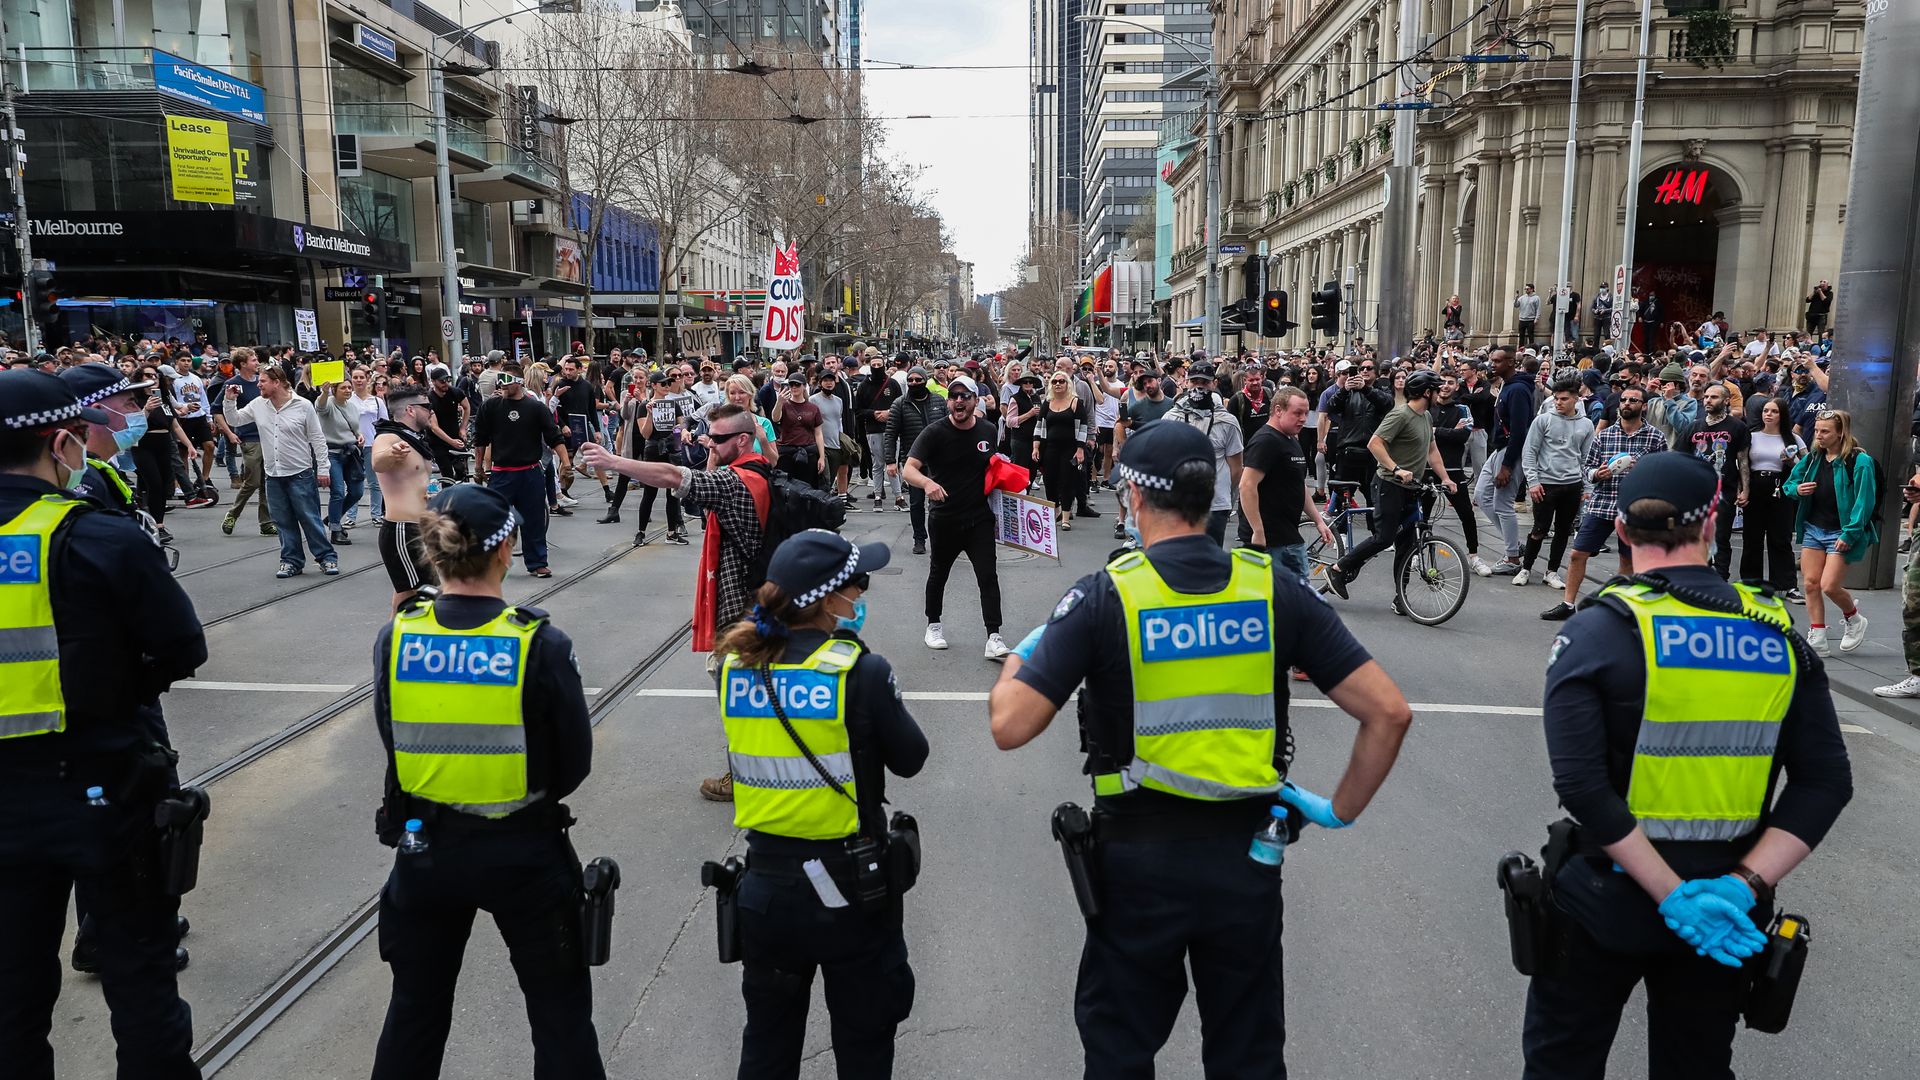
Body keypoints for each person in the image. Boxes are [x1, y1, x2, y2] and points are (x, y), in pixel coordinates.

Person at [987, 418, 1413, 1078]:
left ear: (1132, 496)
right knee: (1247, 1054)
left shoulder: (1108, 597)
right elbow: (1388, 713)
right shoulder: (1268, 586)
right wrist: (1339, 809)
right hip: (1247, 858)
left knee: (1121, 1051)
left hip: (1136, 865)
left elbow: (1009, 726)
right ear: (1208, 491)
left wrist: (1027, 650)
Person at [1523, 451, 1854, 1078]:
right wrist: (1741, 886)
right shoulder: (1774, 631)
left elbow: (1582, 787)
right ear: (1712, 525)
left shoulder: (1596, 632)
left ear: (1620, 530)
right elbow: (1826, 781)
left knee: (1561, 1063)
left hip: (1605, 897)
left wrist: (1670, 896)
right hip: (1728, 910)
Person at [0, 369, 208, 1080]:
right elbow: (182, 646)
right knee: (140, 982)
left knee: (11, 1000)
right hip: (105, 786)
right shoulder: (98, 536)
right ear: (61, 443)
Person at [368, 484, 606, 1080]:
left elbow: (392, 736)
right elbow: (573, 762)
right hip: (523, 848)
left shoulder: (398, 635)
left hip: (425, 848)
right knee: (559, 1014)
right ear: (507, 550)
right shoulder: (538, 641)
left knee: (415, 1011)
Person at [712, 530, 927, 1078]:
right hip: (850, 889)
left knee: (767, 1044)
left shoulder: (737, 668)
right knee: (864, 1043)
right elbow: (911, 757)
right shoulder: (859, 671)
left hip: (765, 890)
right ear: (828, 601)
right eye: (856, 585)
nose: (861, 593)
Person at [580, 403, 773, 802]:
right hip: (761, 597)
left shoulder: (735, 482)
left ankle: (745, 775)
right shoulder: (761, 470)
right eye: (708, 436)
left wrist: (614, 460)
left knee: (737, 691)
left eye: (718, 439)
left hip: (739, 604)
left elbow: (673, 476)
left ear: (742, 439)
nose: (711, 444)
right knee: (756, 687)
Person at [1326, 370, 1457, 612]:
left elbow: (1432, 451)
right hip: (1389, 483)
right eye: (1437, 388)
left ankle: (1401, 597)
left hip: (1411, 487)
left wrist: (1446, 478)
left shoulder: (1426, 416)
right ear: (1427, 392)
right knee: (1384, 537)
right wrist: (1396, 468)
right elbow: (1374, 444)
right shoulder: (1400, 414)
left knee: (1407, 545)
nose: (1441, 391)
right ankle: (1338, 569)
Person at [902, 376, 1010, 659]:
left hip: (979, 518)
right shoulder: (934, 432)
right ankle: (933, 625)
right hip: (944, 518)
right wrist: (927, 483)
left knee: (988, 575)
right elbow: (909, 469)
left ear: (976, 401)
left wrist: (1004, 473)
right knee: (939, 573)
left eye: (965, 397)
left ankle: (994, 636)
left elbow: (993, 468)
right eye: (954, 397)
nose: (959, 401)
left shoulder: (988, 430)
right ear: (948, 401)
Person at [1541, 384, 1667, 621]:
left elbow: (1662, 473)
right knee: (1578, 553)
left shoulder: (1655, 437)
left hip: (1634, 509)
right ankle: (1568, 604)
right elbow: (1587, 468)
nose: (1627, 404)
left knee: (1627, 561)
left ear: (1644, 406)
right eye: (1624, 400)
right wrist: (1596, 474)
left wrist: (1644, 473)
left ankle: (1618, 608)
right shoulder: (1605, 434)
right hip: (1602, 504)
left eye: (1633, 401)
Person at [223, 364, 337, 578]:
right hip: (273, 474)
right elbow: (234, 420)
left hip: (300, 472)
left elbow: (317, 438)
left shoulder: (303, 405)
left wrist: (323, 467)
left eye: (263, 381)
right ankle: (291, 561)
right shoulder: (258, 404)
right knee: (283, 521)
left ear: (277, 382)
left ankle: (327, 558)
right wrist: (229, 400)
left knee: (310, 518)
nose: (258, 384)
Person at [1784, 408, 1878, 654]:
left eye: (1825, 431)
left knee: (1829, 585)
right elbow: (1790, 483)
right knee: (1811, 584)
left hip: (1840, 531)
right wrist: (1798, 490)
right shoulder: (1814, 457)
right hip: (1814, 528)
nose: (1818, 436)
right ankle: (1818, 635)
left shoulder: (1859, 461)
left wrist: (1850, 533)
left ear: (1840, 433)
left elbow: (1864, 501)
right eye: (1816, 431)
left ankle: (1854, 618)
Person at [474, 367, 570, 579]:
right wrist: (478, 466)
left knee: (534, 520)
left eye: (507, 380)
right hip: (501, 473)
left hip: (530, 472)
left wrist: (567, 464)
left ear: (519, 381)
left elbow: (554, 437)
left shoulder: (535, 408)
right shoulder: (490, 406)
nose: (503, 384)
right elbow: (480, 438)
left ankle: (537, 562)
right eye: (500, 380)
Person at [1238, 385, 1332, 577]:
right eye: (1297, 413)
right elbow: (1246, 486)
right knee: (1285, 601)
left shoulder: (1290, 439)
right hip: (1269, 541)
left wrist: (1318, 520)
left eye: (1306, 413)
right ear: (1278, 410)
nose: (1304, 419)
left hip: (1287, 536)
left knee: (1292, 601)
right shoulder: (1266, 440)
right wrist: (1258, 531)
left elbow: (1298, 484)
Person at [1515, 374, 1597, 590]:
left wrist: (1587, 488)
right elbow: (1529, 451)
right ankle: (1526, 568)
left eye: (1564, 399)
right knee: (1539, 529)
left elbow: (1587, 458)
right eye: (1556, 399)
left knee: (1563, 530)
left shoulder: (1586, 425)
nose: (1558, 403)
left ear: (1576, 399)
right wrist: (1533, 482)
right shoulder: (1543, 420)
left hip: (1572, 485)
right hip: (1545, 484)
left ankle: (1551, 572)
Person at [372, 383, 441, 610]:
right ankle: (396, 642)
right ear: (411, 410)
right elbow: (378, 462)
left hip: (421, 527)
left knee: (407, 593)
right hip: (402, 529)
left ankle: (393, 643)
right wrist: (391, 453)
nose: (431, 410)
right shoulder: (389, 437)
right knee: (423, 593)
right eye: (427, 406)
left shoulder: (415, 438)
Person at [1165, 364, 1245, 546]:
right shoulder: (1171, 418)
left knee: (1210, 560)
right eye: (1194, 381)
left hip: (1215, 505)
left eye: (1204, 382)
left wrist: (1224, 493)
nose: (1199, 386)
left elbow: (1236, 468)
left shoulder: (1228, 422)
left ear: (1214, 384)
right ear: (1186, 383)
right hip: (1180, 503)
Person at [1686, 383, 1750, 580]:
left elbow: (1743, 460)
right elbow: (1681, 458)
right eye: (1706, 397)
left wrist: (1745, 489)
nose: (1708, 400)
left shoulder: (1737, 427)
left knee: (1721, 537)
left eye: (1713, 397)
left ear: (1726, 401)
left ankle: (1720, 578)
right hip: (1696, 493)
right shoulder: (1694, 426)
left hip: (1724, 491)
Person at [1474, 347, 1530, 574]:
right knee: (1481, 495)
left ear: (1510, 363)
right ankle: (1513, 545)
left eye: (1497, 361)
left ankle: (1512, 558)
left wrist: (1507, 465)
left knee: (1503, 504)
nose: (1492, 364)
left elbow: (1519, 430)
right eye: (1491, 360)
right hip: (1499, 449)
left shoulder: (1517, 389)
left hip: (1510, 451)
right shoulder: (1507, 386)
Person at [882, 367, 943, 552]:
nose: (914, 383)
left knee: (939, 502)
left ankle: (940, 539)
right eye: (911, 380)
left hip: (938, 461)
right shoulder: (900, 404)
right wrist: (890, 461)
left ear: (925, 380)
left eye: (918, 379)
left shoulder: (939, 401)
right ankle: (919, 539)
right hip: (913, 462)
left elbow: (950, 428)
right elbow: (890, 434)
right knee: (916, 503)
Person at [217, 347, 274, 537]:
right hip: (249, 438)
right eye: (253, 360)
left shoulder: (261, 382)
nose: (257, 363)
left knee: (268, 482)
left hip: (267, 436)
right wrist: (229, 432)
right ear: (242, 364)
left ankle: (266, 522)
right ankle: (233, 513)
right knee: (253, 481)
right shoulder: (233, 383)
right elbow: (217, 409)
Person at [1033, 369, 1089, 531]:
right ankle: (1055, 511)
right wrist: (1036, 446)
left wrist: (1080, 449)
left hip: (1070, 448)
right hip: (1050, 448)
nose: (1057, 384)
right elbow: (1039, 425)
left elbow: (1082, 428)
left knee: (1067, 482)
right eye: (1054, 382)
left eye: (1061, 381)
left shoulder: (1075, 402)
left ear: (1068, 384)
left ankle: (1066, 516)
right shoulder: (1047, 402)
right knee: (1050, 482)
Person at [315, 379, 365, 547]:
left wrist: (359, 435)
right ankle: (336, 530)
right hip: (332, 454)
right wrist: (324, 392)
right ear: (334, 390)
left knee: (357, 492)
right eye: (343, 387)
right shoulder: (328, 403)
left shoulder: (351, 406)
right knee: (337, 491)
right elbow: (320, 408)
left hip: (351, 453)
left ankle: (332, 518)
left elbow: (354, 428)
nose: (348, 390)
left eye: (350, 387)